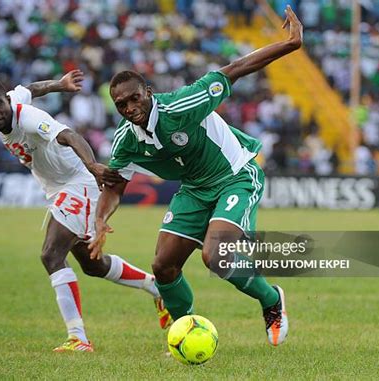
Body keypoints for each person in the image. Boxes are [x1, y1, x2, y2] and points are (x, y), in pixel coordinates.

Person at [90, 6, 303, 346]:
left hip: (235, 175)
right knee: (163, 267)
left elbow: (234, 70)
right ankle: (185, 332)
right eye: (121, 104)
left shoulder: (183, 104)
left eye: (134, 98)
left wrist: (290, 44)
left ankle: (272, 300)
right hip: (194, 188)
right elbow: (115, 184)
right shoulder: (126, 139)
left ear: (148, 91)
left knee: (215, 256)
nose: (130, 108)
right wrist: (101, 219)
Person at [0, 70, 172, 353]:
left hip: (78, 183)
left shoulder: (28, 118)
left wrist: (93, 167)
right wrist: (60, 85)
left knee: (51, 254)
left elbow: (69, 135)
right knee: (93, 265)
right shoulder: (12, 99)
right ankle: (156, 287)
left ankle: (78, 338)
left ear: (6, 101)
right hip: (57, 189)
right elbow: (31, 86)